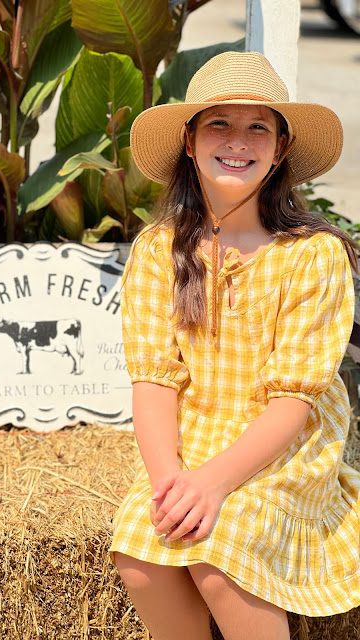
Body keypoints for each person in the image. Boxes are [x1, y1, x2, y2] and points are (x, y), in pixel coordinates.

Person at [109, 51, 360, 640]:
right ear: (189, 141)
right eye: (218, 123)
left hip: (282, 445)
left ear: (281, 148)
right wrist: (170, 484)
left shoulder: (311, 255)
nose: (238, 141)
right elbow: (154, 379)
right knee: (140, 557)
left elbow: (293, 401)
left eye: (258, 127)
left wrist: (215, 483)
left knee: (222, 556)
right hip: (194, 438)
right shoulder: (159, 249)